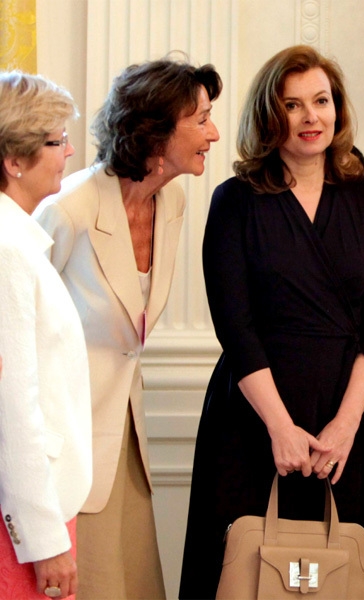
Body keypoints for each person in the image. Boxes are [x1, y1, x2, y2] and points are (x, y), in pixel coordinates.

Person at [178, 45, 364, 599]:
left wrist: (346, 425)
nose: (311, 117)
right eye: (293, 104)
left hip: (351, 419)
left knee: (350, 574)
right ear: (268, 114)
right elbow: (235, 326)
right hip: (256, 415)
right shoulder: (235, 200)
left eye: (321, 101)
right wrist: (279, 427)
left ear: (338, 108)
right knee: (248, 573)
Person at [34, 59, 222, 599]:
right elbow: (17, 332)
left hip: (127, 437)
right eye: (201, 119)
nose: (212, 133)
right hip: (66, 446)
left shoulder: (173, 200)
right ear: (156, 132)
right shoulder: (67, 209)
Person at [0, 71, 92, 599]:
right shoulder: (8, 251)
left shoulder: (18, 240)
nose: (70, 151)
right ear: (14, 160)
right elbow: (13, 405)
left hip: (39, 506)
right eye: (57, 141)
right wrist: (43, 540)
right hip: (26, 522)